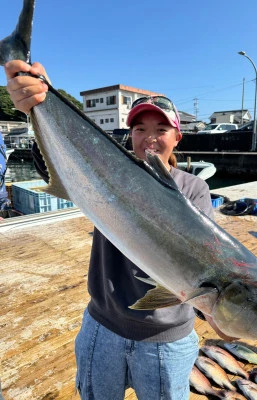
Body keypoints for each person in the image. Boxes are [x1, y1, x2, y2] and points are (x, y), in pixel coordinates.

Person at [5, 60, 214, 400]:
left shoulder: (192, 191)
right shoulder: (108, 170)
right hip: (102, 324)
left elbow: (204, 261)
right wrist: (38, 105)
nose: (149, 138)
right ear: (129, 134)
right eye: (139, 129)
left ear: (177, 135)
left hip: (166, 338)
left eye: (160, 130)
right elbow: (54, 162)